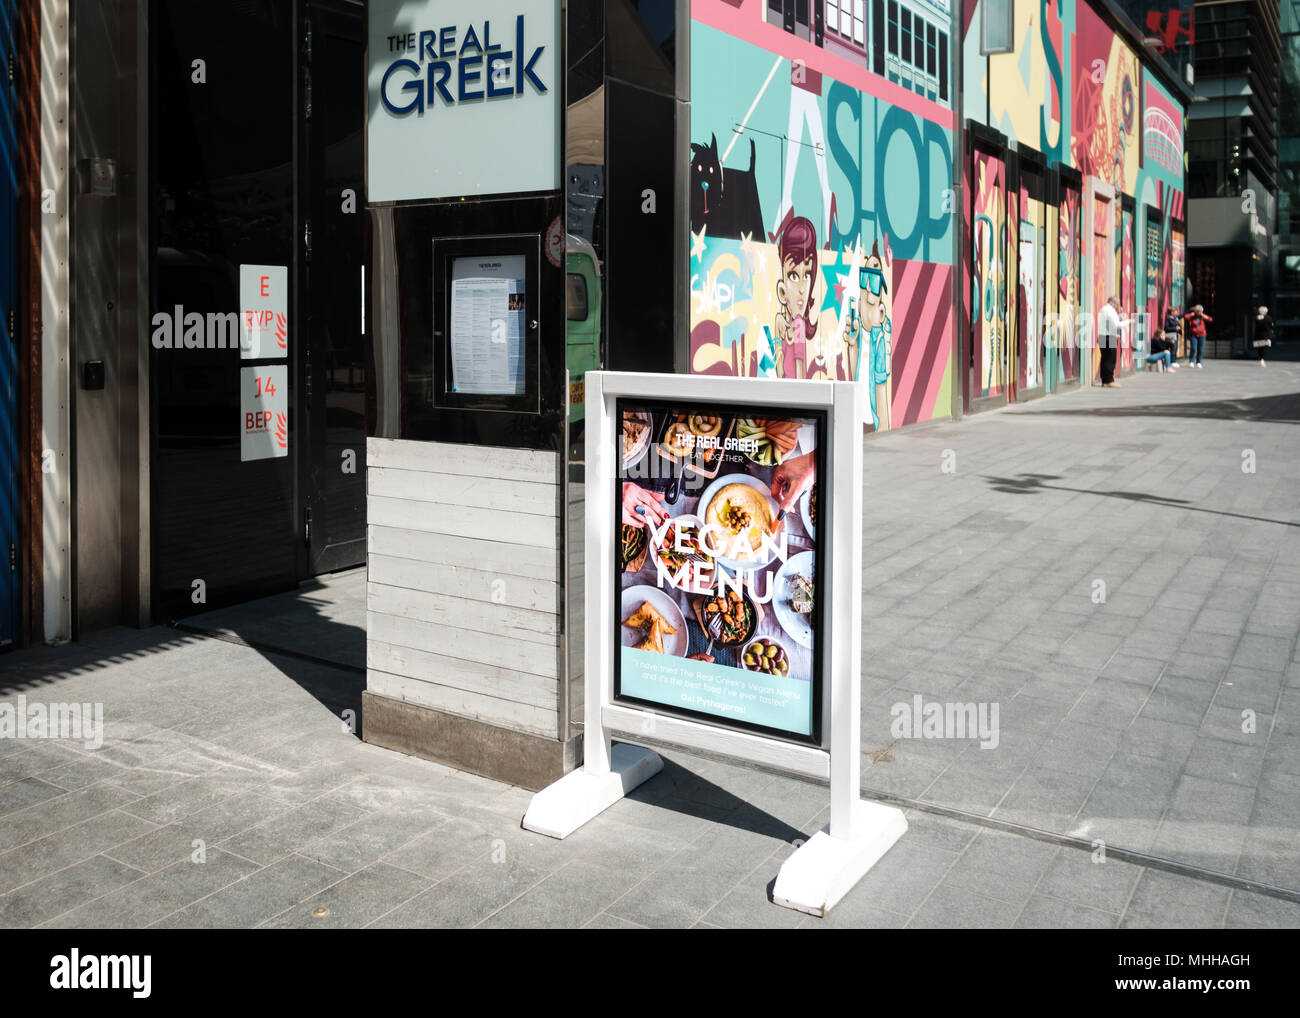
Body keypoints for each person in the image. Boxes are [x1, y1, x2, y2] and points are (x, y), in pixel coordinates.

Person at [1097, 295, 1123, 387]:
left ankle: (1105, 381)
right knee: (1110, 359)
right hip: (1109, 337)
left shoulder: (1103, 309)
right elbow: (1116, 325)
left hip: (1102, 336)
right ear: (1112, 302)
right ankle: (1109, 381)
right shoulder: (1110, 310)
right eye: (1117, 304)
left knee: (1105, 359)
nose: (1117, 306)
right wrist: (1128, 322)